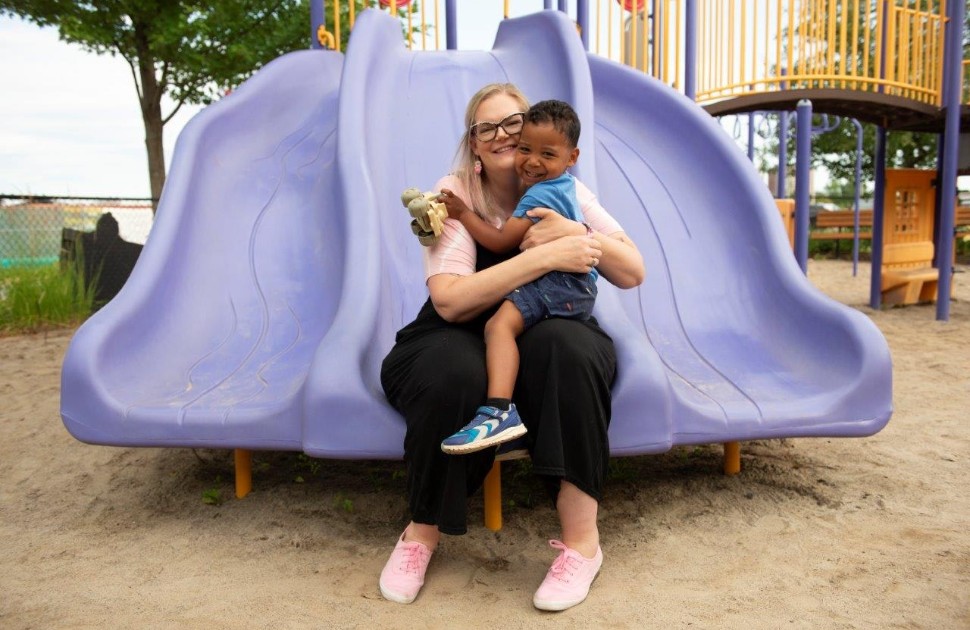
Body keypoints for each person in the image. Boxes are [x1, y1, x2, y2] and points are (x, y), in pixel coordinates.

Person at [378, 83, 645, 611]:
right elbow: (453, 303)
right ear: (473, 144)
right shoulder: (453, 194)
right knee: (451, 370)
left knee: (568, 351)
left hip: (543, 321)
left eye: (513, 124)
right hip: (457, 326)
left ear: (535, 132)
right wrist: (545, 257)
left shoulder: (566, 188)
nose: (502, 135)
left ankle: (581, 545)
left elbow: (632, 271)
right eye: (486, 128)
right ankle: (421, 533)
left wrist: (575, 233)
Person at [439, 99, 596, 456]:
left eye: (547, 154)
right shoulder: (567, 185)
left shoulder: (539, 194)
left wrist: (463, 214)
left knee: (498, 327)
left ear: (572, 158)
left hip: (559, 283)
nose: (533, 161)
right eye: (525, 149)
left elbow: (500, 241)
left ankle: (498, 410)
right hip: (577, 284)